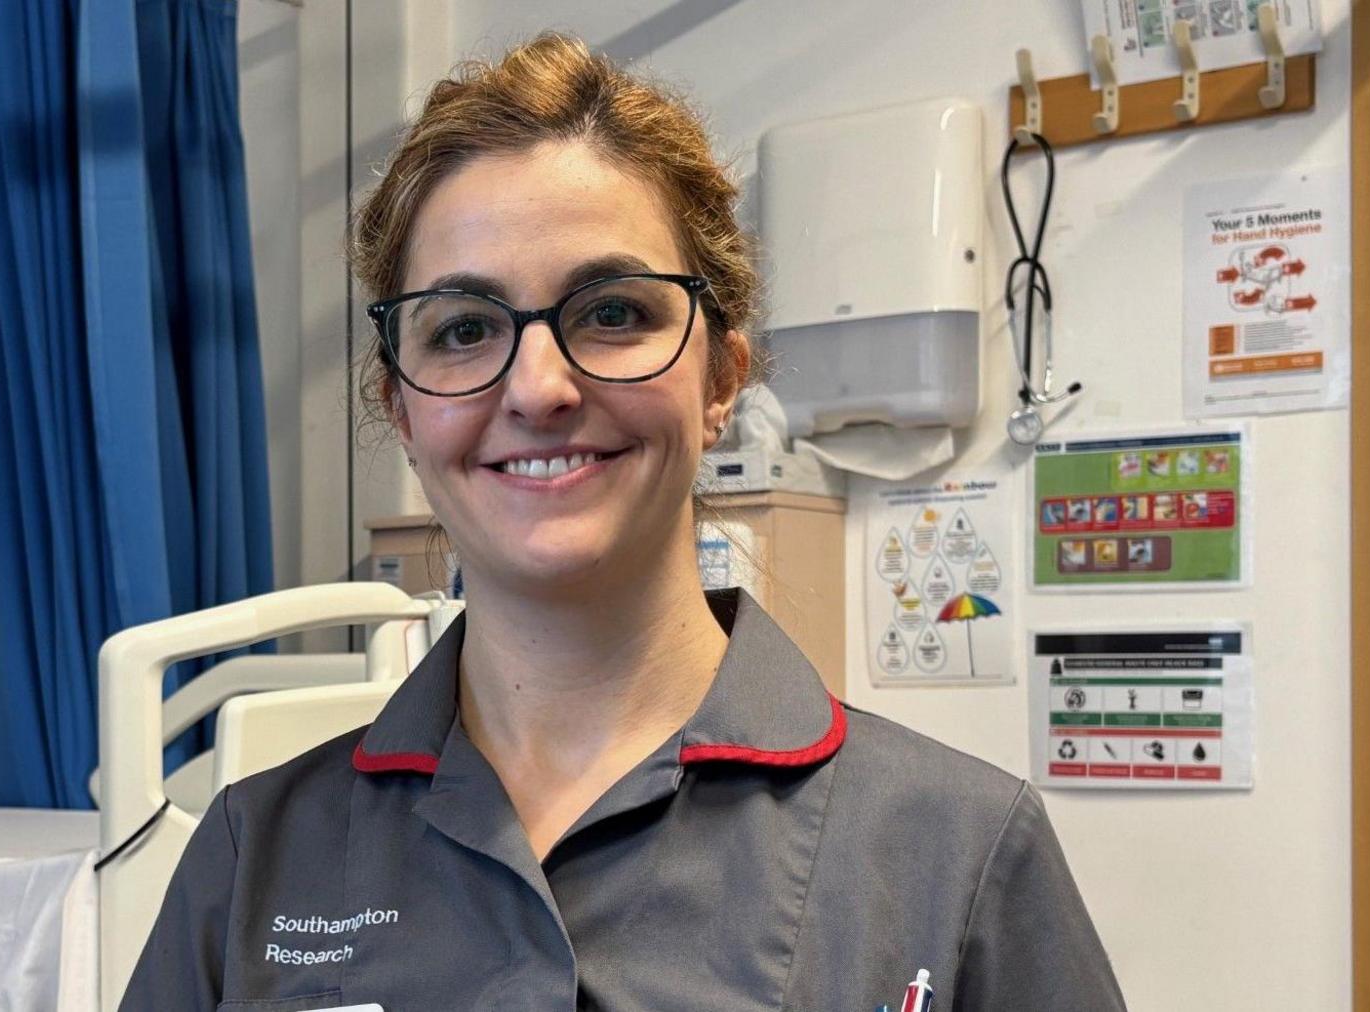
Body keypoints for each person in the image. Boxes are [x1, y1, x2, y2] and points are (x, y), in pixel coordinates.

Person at [123, 33, 1125, 1011]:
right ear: (403, 410)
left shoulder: (959, 859)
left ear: (721, 377)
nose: (539, 388)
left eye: (611, 312)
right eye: (464, 329)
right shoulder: (252, 860)